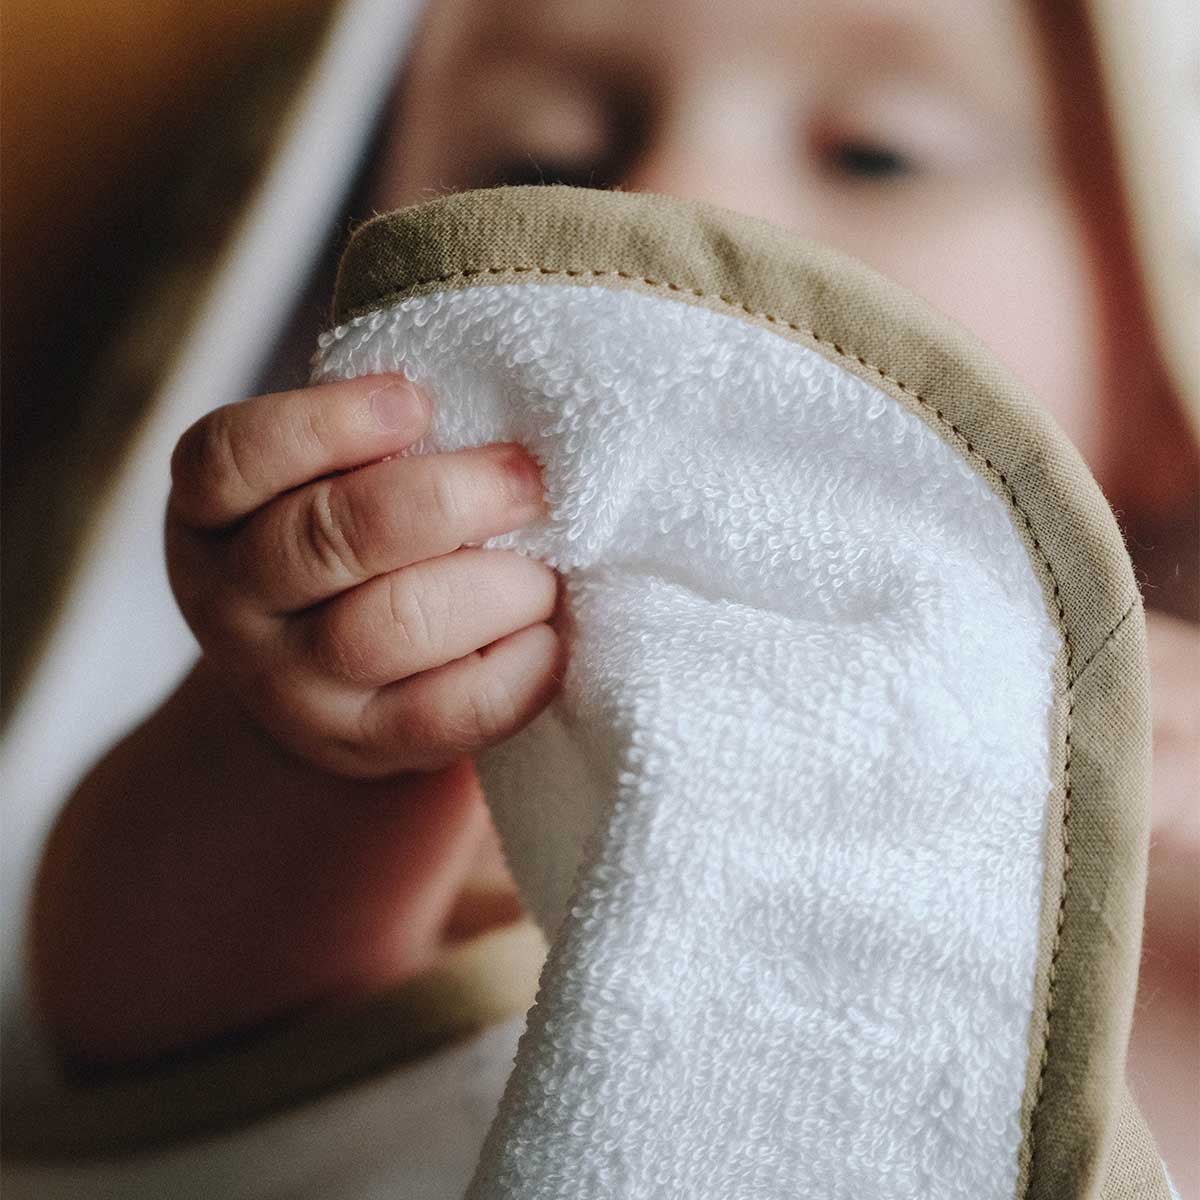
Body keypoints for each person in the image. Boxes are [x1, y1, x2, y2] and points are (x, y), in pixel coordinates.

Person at [7, 0, 1197, 1194]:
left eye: (876, 152)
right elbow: (157, 1057)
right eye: (539, 163)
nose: (667, 198)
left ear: (1163, 352)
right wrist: (310, 737)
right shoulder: (485, 773)